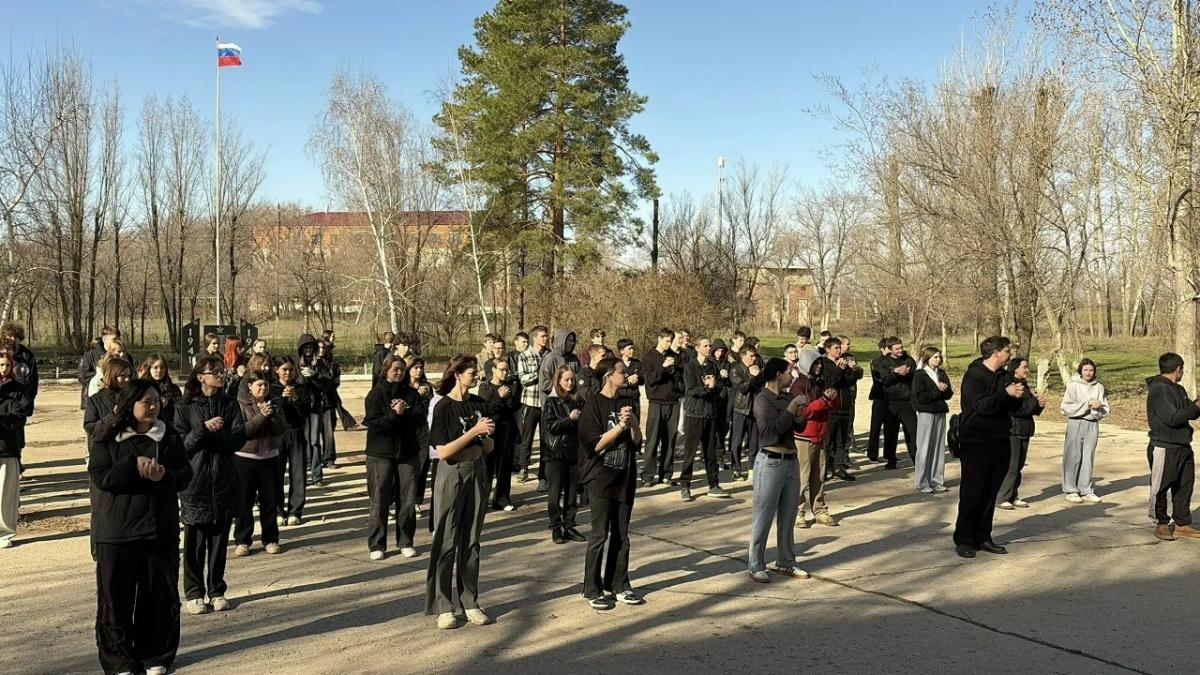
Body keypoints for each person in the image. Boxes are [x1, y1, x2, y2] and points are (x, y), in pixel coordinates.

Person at [88, 380, 191, 675]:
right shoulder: (109, 437)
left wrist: (163, 476)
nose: (152, 405)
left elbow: (184, 474)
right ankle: (119, 659)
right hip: (117, 531)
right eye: (145, 400)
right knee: (115, 599)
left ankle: (155, 655)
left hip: (160, 529)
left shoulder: (169, 437)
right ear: (129, 403)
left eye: (156, 400)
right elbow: (100, 476)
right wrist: (133, 465)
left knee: (158, 595)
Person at [426, 356, 496, 630]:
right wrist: (474, 432)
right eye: (471, 372)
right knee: (447, 539)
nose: (476, 376)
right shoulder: (443, 406)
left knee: (471, 540)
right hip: (451, 474)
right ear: (457, 374)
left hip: (477, 471)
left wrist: (485, 437)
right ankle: (444, 605)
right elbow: (443, 451)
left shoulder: (480, 404)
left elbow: (489, 447)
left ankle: (470, 601)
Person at [176, 355, 246, 614]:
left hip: (224, 478)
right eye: (214, 371)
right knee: (194, 541)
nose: (220, 374)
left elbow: (239, 438)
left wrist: (220, 433)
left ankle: (217, 589)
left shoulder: (229, 404)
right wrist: (204, 429)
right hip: (195, 481)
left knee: (219, 540)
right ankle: (194, 593)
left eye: (221, 370)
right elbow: (182, 444)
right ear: (200, 376)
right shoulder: (184, 406)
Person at [578, 357, 645, 610]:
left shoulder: (626, 400)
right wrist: (619, 427)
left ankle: (618, 584)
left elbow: (638, 441)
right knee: (599, 535)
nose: (626, 375)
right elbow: (595, 444)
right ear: (608, 375)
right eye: (621, 371)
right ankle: (592, 588)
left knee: (622, 535)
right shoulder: (593, 404)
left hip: (624, 477)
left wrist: (634, 423)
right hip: (600, 478)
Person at [953, 336, 1023, 559]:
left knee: (990, 492)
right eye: (1006, 351)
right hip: (976, 441)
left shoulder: (1004, 376)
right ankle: (964, 539)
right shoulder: (974, 376)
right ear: (996, 353)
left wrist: (1017, 397)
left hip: (1000, 439)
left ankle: (983, 536)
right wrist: (1006, 394)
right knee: (973, 492)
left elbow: (1011, 406)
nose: (1010, 355)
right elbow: (980, 406)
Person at [747, 357, 810, 582]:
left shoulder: (786, 397)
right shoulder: (763, 399)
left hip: (791, 461)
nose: (791, 376)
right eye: (788, 372)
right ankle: (755, 563)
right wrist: (793, 408)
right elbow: (771, 431)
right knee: (763, 516)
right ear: (777, 375)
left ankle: (786, 561)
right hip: (771, 462)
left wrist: (801, 412)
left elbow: (798, 426)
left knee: (788, 515)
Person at [364, 355, 424, 560]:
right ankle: (376, 544)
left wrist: (402, 414)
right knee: (379, 499)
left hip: (407, 452)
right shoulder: (374, 395)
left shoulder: (412, 394)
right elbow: (375, 425)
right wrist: (395, 415)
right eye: (395, 369)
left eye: (402, 369)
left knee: (407, 499)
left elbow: (418, 419)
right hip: (380, 453)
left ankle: (406, 541)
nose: (399, 372)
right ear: (385, 370)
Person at [1146, 352, 1200, 541]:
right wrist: (1195, 407)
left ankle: (1182, 523)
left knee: (1184, 486)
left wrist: (1196, 406)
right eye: (1182, 369)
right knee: (1161, 487)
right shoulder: (1159, 389)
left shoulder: (1179, 389)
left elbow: (1189, 413)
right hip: (1164, 446)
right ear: (1178, 369)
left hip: (1183, 445)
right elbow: (1172, 418)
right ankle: (1161, 523)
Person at [233, 371, 286, 557]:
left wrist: (271, 416)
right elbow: (243, 431)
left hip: (269, 457)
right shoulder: (240, 405)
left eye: (265, 385)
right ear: (250, 386)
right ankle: (242, 540)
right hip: (245, 458)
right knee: (244, 501)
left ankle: (270, 538)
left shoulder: (274, 403)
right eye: (259, 385)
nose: (263, 389)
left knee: (270, 501)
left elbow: (281, 429)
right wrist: (261, 417)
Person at [678, 337, 729, 500]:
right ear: (698, 348)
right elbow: (692, 390)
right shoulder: (690, 367)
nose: (709, 348)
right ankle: (685, 485)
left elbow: (720, 387)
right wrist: (708, 387)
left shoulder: (713, 366)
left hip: (710, 413)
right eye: (705, 346)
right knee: (690, 452)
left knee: (710, 452)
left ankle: (713, 484)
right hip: (694, 414)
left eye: (709, 346)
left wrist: (714, 386)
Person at [791, 357, 838, 528]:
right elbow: (803, 412)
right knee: (803, 478)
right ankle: (797, 512)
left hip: (820, 435)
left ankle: (819, 510)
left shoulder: (821, 382)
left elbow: (833, 405)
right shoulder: (799, 384)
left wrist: (831, 398)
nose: (818, 366)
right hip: (804, 436)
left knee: (819, 476)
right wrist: (823, 401)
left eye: (820, 363)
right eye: (815, 363)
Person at [542, 365, 586, 544]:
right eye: (566, 379)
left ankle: (569, 524)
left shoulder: (579, 401)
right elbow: (551, 427)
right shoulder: (551, 402)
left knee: (572, 492)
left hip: (574, 451)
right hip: (555, 452)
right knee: (554, 493)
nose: (569, 383)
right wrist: (570, 420)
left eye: (572, 380)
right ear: (558, 381)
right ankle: (556, 526)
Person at [997, 357, 1045, 510]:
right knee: (1011, 465)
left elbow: (1031, 409)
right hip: (1013, 429)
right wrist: (1034, 403)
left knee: (1019, 465)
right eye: (1024, 367)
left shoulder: (1025, 385)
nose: (1027, 370)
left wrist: (1040, 405)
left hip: (1025, 429)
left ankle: (1013, 495)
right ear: (1015, 368)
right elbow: (1018, 409)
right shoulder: (1010, 385)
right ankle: (1002, 497)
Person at [1060, 358, 1109, 504]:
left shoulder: (1099, 387)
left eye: (1091, 370)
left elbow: (1105, 408)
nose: (1088, 373)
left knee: (1088, 457)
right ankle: (1071, 489)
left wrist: (1097, 408)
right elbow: (1065, 407)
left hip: (1092, 424)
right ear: (1081, 371)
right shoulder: (1073, 386)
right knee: (1072, 456)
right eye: (1086, 370)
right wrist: (1086, 405)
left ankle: (1085, 489)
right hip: (1076, 422)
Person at [537, 329, 580, 492]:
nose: (571, 344)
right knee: (548, 444)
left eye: (572, 341)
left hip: (571, 406)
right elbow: (544, 385)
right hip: (553, 407)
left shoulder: (574, 359)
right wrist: (562, 385)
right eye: (568, 340)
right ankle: (544, 478)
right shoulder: (550, 359)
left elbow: (578, 379)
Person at [0, 353, 33, 549]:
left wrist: (4, 417)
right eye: (0, 364)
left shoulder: (18, 389)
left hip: (7, 447)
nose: (3, 368)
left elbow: (23, 412)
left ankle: (4, 533)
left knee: (5, 493)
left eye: (6, 365)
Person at [870, 337, 918, 469]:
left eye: (901, 347)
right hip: (890, 401)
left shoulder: (909, 360)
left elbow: (915, 377)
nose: (900, 350)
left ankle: (916, 457)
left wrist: (907, 375)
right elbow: (883, 380)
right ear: (890, 350)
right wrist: (895, 372)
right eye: (897, 348)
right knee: (890, 431)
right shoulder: (882, 362)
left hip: (907, 401)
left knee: (912, 430)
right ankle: (891, 459)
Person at [271, 356, 309, 526]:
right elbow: (270, 410)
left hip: (296, 433)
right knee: (276, 474)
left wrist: (295, 398)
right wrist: (281, 398)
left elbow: (307, 411)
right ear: (276, 370)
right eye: (284, 369)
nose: (287, 373)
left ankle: (295, 510)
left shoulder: (301, 387)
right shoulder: (271, 388)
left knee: (298, 472)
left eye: (290, 369)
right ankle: (278, 510)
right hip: (277, 435)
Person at [479, 357, 520, 511]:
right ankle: (483, 499)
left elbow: (514, 406)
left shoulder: (510, 386)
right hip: (491, 432)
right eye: (502, 369)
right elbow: (487, 410)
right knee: (488, 468)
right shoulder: (486, 388)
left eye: (507, 370)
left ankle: (502, 499)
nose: (505, 373)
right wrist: (499, 397)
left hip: (507, 431)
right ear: (494, 370)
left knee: (504, 467)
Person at [641, 328, 681, 486]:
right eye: (666, 341)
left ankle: (666, 474)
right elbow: (649, 380)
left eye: (671, 341)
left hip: (673, 402)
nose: (669, 344)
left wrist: (675, 373)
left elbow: (679, 378)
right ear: (659, 339)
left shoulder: (674, 356)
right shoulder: (649, 357)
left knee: (670, 440)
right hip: (656, 402)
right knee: (652, 440)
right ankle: (648, 475)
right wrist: (663, 367)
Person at [818, 337, 861, 481]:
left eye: (839, 347)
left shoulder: (843, 362)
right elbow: (830, 383)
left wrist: (853, 370)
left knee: (842, 440)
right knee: (828, 441)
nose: (839, 350)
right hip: (831, 408)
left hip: (845, 406)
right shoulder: (824, 364)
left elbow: (850, 381)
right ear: (828, 349)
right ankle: (825, 468)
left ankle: (838, 466)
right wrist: (839, 370)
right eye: (836, 348)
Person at [911, 346, 953, 494]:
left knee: (938, 448)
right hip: (926, 413)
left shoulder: (941, 373)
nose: (939, 359)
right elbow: (920, 397)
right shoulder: (920, 375)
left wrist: (945, 389)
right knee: (924, 447)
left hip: (940, 412)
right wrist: (937, 390)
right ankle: (922, 482)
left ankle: (937, 480)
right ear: (927, 358)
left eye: (940, 357)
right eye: (935, 357)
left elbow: (949, 394)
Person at [516, 326, 550, 485]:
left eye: (546, 336)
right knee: (527, 438)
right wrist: (540, 372)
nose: (545, 339)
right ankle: (524, 468)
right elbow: (523, 379)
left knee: (545, 439)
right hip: (530, 402)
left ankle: (543, 474)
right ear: (535, 337)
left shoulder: (550, 354)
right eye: (542, 336)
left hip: (546, 403)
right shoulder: (525, 355)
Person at [85, 357, 133, 456]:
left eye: (129, 375)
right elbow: (91, 429)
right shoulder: (96, 400)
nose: (127, 379)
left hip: (129, 452)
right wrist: (113, 416)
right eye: (122, 376)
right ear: (112, 375)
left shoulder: (134, 397)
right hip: (104, 453)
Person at [729, 345, 762, 481]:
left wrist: (758, 375)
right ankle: (736, 468)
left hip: (754, 408)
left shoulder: (758, 368)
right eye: (751, 356)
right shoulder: (736, 369)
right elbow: (742, 388)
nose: (754, 358)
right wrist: (752, 376)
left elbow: (762, 385)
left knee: (754, 441)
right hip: (741, 408)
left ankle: (752, 468)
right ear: (743, 356)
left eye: (755, 356)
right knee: (737, 440)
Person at [407, 358, 435, 517]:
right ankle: (403, 499)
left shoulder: (428, 387)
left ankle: (417, 501)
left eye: (421, 367)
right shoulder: (404, 387)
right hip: (407, 430)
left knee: (423, 466)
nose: (419, 370)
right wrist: (415, 395)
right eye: (416, 367)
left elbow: (431, 409)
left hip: (424, 430)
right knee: (407, 467)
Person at [138, 355, 183, 437]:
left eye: (162, 368)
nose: (159, 370)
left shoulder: (173, 389)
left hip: (169, 430)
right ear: (149, 369)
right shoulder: (142, 388)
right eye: (155, 367)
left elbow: (179, 412)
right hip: (147, 431)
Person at [79, 325, 119, 409]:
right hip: (94, 399)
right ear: (104, 339)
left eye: (118, 339)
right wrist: (102, 375)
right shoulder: (90, 355)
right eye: (114, 339)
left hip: (117, 400)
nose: (117, 342)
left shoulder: (123, 355)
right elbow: (82, 376)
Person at [617, 338, 643, 421]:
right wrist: (627, 380)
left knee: (635, 423)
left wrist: (637, 376)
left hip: (635, 400)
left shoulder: (637, 363)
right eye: (629, 349)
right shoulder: (616, 364)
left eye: (633, 348)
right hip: (621, 399)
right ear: (622, 351)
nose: (632, 351)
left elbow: (643, 380)